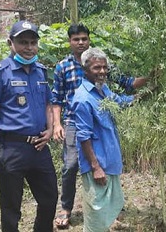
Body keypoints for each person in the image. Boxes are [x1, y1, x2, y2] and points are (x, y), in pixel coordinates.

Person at [52, 23, 147, 229]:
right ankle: (66, 208)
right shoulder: (64, 68)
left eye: (84, 39)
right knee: (71, 166)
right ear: (70, 42)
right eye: (76, 39)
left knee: (104, 162)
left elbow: (126, 84)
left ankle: (106, 207)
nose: (80, 42)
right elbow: (56, 98)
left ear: (88, 40)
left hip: (98, 124)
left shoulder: (100, 71)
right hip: (72, 123)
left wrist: (149, 82)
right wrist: (56, 124)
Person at [0, 20, 58, 232]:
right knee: (11, 208)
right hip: (11, 148)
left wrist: (50, 129)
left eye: (32, 42)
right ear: (11, 43)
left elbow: (48, 105)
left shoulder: (41, 72)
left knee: (49, 199)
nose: (29, 48)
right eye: (23, 42)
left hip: (39, 147)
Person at [71, 47, 133, 232]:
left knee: (107, 210)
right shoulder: (83, 98)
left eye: (105, 68)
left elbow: (119, 102)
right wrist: (96, 167)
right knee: (96, 214)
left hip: (110, 157)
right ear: (85, 69)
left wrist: (144, 93)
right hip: (98, 163)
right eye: (97, 68)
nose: (102, 72)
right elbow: (83, 136)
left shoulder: (102, 90)